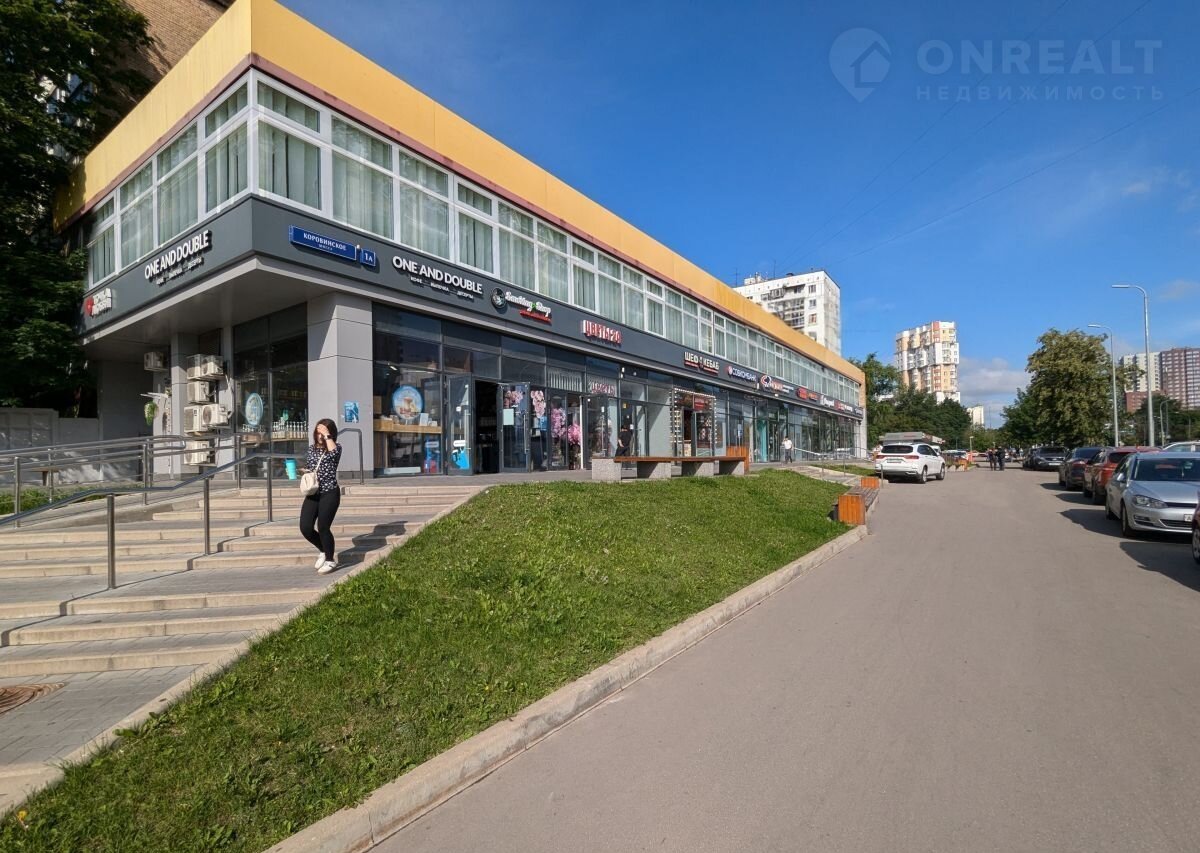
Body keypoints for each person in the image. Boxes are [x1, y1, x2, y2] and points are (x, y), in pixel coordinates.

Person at [300, 418, 343, 574]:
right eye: (318, 432)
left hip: (330, 492)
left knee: (323, 527)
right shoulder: (312, 449)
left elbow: (333, 455)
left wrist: (327, 435)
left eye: (323, 432)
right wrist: (305, 471)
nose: (320, 435)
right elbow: (312, 466)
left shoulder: (336, 447)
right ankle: (323, 550)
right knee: (305, 527)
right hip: (314, 492)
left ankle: (330, 561)